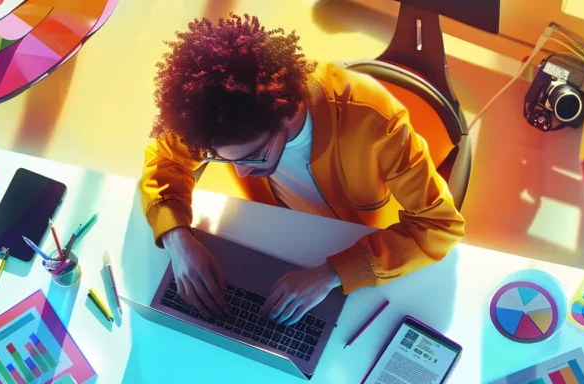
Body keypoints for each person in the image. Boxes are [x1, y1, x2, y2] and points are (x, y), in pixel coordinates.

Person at [141, 13, 465, 326]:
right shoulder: (217, 112)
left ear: (286, 112)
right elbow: (166, 159)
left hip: (362, 243)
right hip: (279, 235)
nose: (240, 175)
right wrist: (177, 239)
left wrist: (331, 275)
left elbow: (439, 226)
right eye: (223, 160)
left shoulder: (375, 118)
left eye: (251, 157)